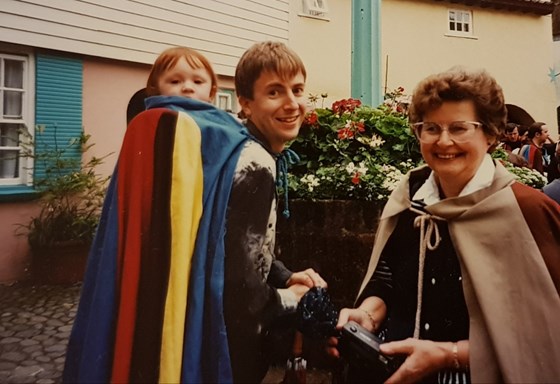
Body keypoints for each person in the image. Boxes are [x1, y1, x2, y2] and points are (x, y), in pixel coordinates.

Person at [63, 44, 325, 384]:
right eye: (274, 92)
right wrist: (291, 299)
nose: (291, 103)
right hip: (226, 345)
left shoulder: (229, 148)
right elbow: (239, 287)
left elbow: (230, 241)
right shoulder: (255, 163)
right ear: (245, 103)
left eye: (298, 90)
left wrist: (284, 275)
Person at [327, 67, 560, 383]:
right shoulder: (410, 196)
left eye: (460, 128)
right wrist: (367, 314)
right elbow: (387, 280)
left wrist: (449, 354)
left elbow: (546, 331)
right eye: (431, 128)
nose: (443, 141)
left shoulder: (527, 210)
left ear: (490, 134)